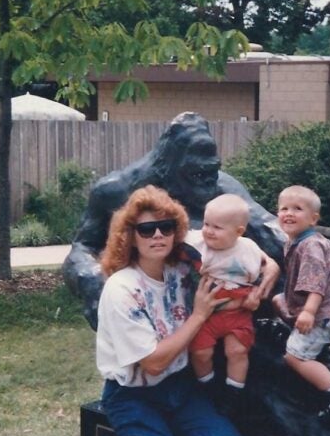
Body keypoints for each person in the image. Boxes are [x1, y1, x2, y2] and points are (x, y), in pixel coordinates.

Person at [62, 112, 285, 330]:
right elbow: (82, 248)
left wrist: (276, 263)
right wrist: (91, 278)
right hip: (150, 304)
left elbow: (270, 230)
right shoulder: (117, 190)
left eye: (213, 170)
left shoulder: (221, 188)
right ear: (168, 167)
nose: (209, 181)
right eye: (197, 174)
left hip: (220, 309)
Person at [93, 185, 247, 436]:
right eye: (146, 229)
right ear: (130, 237)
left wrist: (270, 267)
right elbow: (153, 363)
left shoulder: (182, 268)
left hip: (180, 385)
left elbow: (238, 243)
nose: (158, 235)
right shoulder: (122, 288)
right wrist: (198, 316)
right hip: (133, 395)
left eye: (166, 227)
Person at [186, 194, 278, 415]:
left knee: (237, 351)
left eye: (217, 227)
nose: (208, 231)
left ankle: (234, 393)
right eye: (206, 224)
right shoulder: (195, 241)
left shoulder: (248, 249)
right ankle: (206, 387)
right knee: (200, 353)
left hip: (237, 312)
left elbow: (262, 272)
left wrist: (255, 294)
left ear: (239, 231)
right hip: (206, 313)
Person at [272, 185, 330, 423]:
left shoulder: (310, 246)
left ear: (313, 219)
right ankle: (296, 332)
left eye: (297, 209)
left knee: (295, 357)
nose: (289, 213)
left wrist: (309, 312)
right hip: (312, 308)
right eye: (284, 208)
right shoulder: (297, 241)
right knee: (277, 300)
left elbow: (316, 284)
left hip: (323, 314)